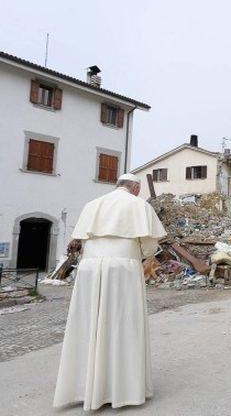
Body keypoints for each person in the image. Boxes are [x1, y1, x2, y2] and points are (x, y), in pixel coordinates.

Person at [53, 173, 166, 411]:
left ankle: (85, 387)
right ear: (135, 188)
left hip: (89, 268)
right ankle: (121, 388)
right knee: (123, 324)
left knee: (88, 324)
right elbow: (148, 246)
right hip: (122, 268)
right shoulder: (138, 205)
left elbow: (80, 239)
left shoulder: (93, 205)